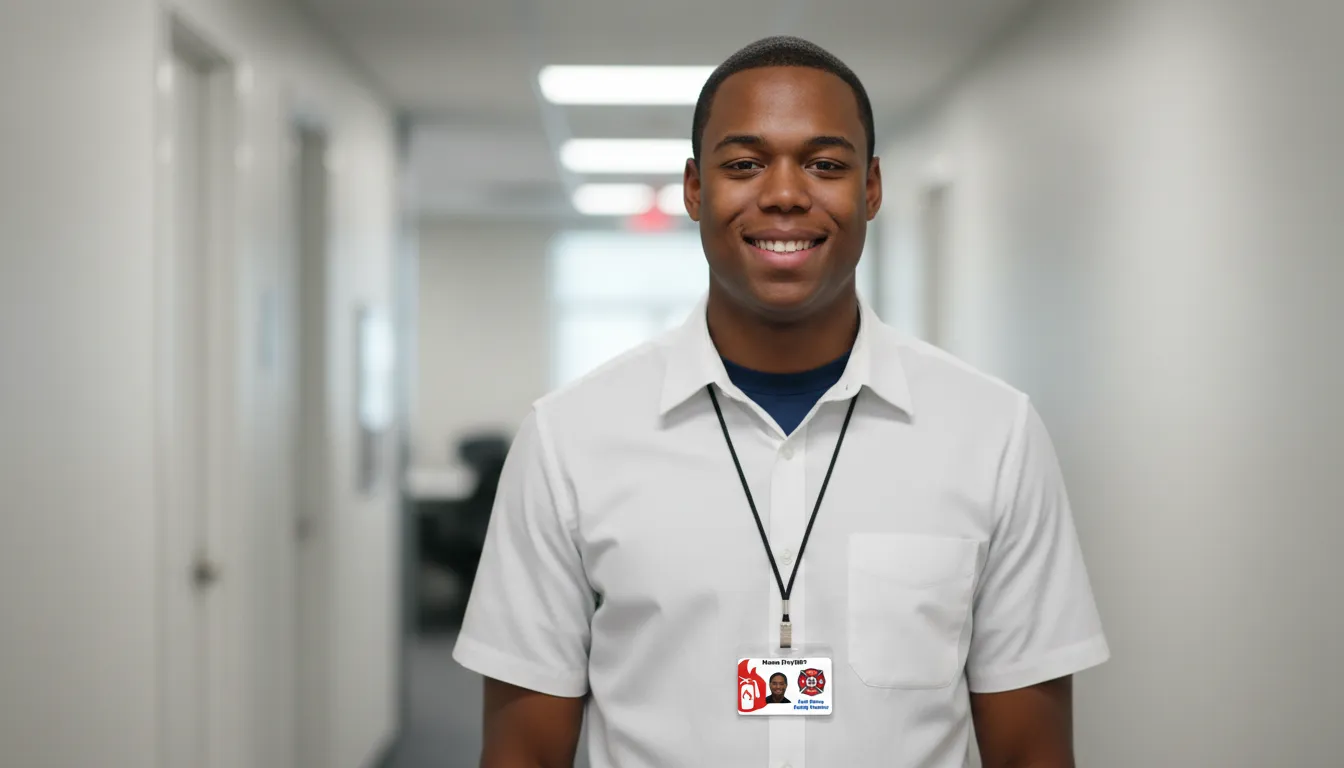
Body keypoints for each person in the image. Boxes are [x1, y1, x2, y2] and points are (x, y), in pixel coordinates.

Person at [453, 35, 1109, 768]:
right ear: (695, 189)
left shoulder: (993, 435)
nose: (786, 193)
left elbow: (1032, 751)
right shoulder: (569, 439)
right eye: (744, 164)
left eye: (826, 164)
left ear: (872, 188)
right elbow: (523, 752)